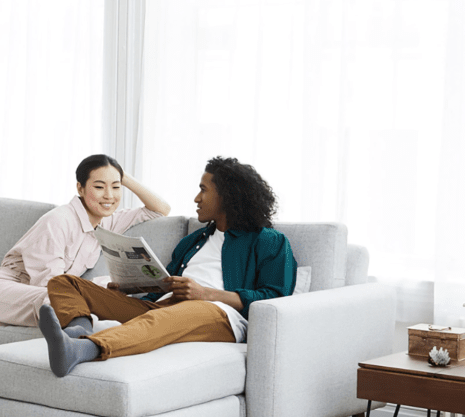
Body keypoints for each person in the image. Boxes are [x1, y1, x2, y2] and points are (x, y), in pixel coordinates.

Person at [37, 156, 297, 377]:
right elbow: (163, 288)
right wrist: (130, 289)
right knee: (64, 282)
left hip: (219, 314)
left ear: (227, 196)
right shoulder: (193, 240)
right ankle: (76, 332)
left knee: (162, 317)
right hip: (166, 306)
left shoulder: (268, 241)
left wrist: (207, 295)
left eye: (204, 190)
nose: (196, 197)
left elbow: (276, 297)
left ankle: (82, 349)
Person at [0, 154, 171, 327]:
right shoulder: (58, 220)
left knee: (75, 297)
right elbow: (49, 284)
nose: (109, 195)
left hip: (51, 295)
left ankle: (83, 329)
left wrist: (120, 175)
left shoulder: (108, 221)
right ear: (80, 188)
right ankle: (82, 330)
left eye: (116, 187)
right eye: (99, 186)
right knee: (58, 299)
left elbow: (160, 209)